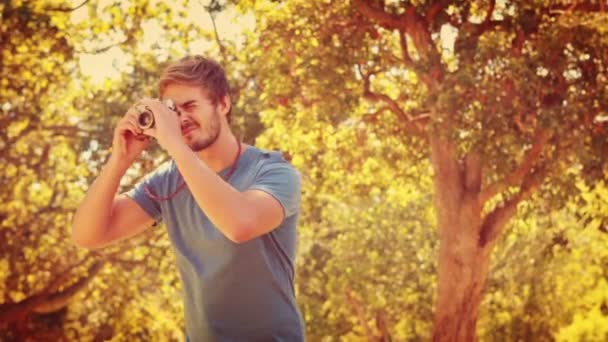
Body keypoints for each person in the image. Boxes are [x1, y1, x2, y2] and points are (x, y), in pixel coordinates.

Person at [71, 55, 304, 341]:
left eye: (190, 105)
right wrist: (119, 161)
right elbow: (88, 235)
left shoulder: (274, 172)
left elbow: (240, 224)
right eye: (172, 111)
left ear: (223, 104)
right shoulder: (168, 180)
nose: (181, 119)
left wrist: (173, 144)